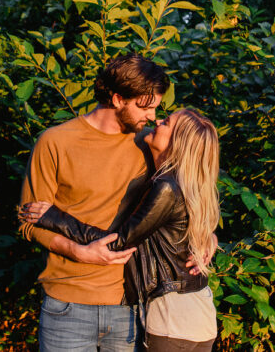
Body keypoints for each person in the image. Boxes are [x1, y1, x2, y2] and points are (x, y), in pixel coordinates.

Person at [21, 108, 221, 352]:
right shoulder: (183, 180)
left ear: (176, 142)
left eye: (166, 122)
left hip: (172, 319)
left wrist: (53, 217)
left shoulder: (166, 187)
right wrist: (206, 237)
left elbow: (118, 243)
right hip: (191, 314)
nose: (156, 119)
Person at [19, 53, 170, 352]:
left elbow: (183, 194)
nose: (153, 116)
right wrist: (79, 252)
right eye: (146, 106)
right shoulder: (55, 142)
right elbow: (28, 222)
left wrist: (206, 237)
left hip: (129, 305)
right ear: (116, 99)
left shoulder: (150, 144)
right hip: (67, 305)